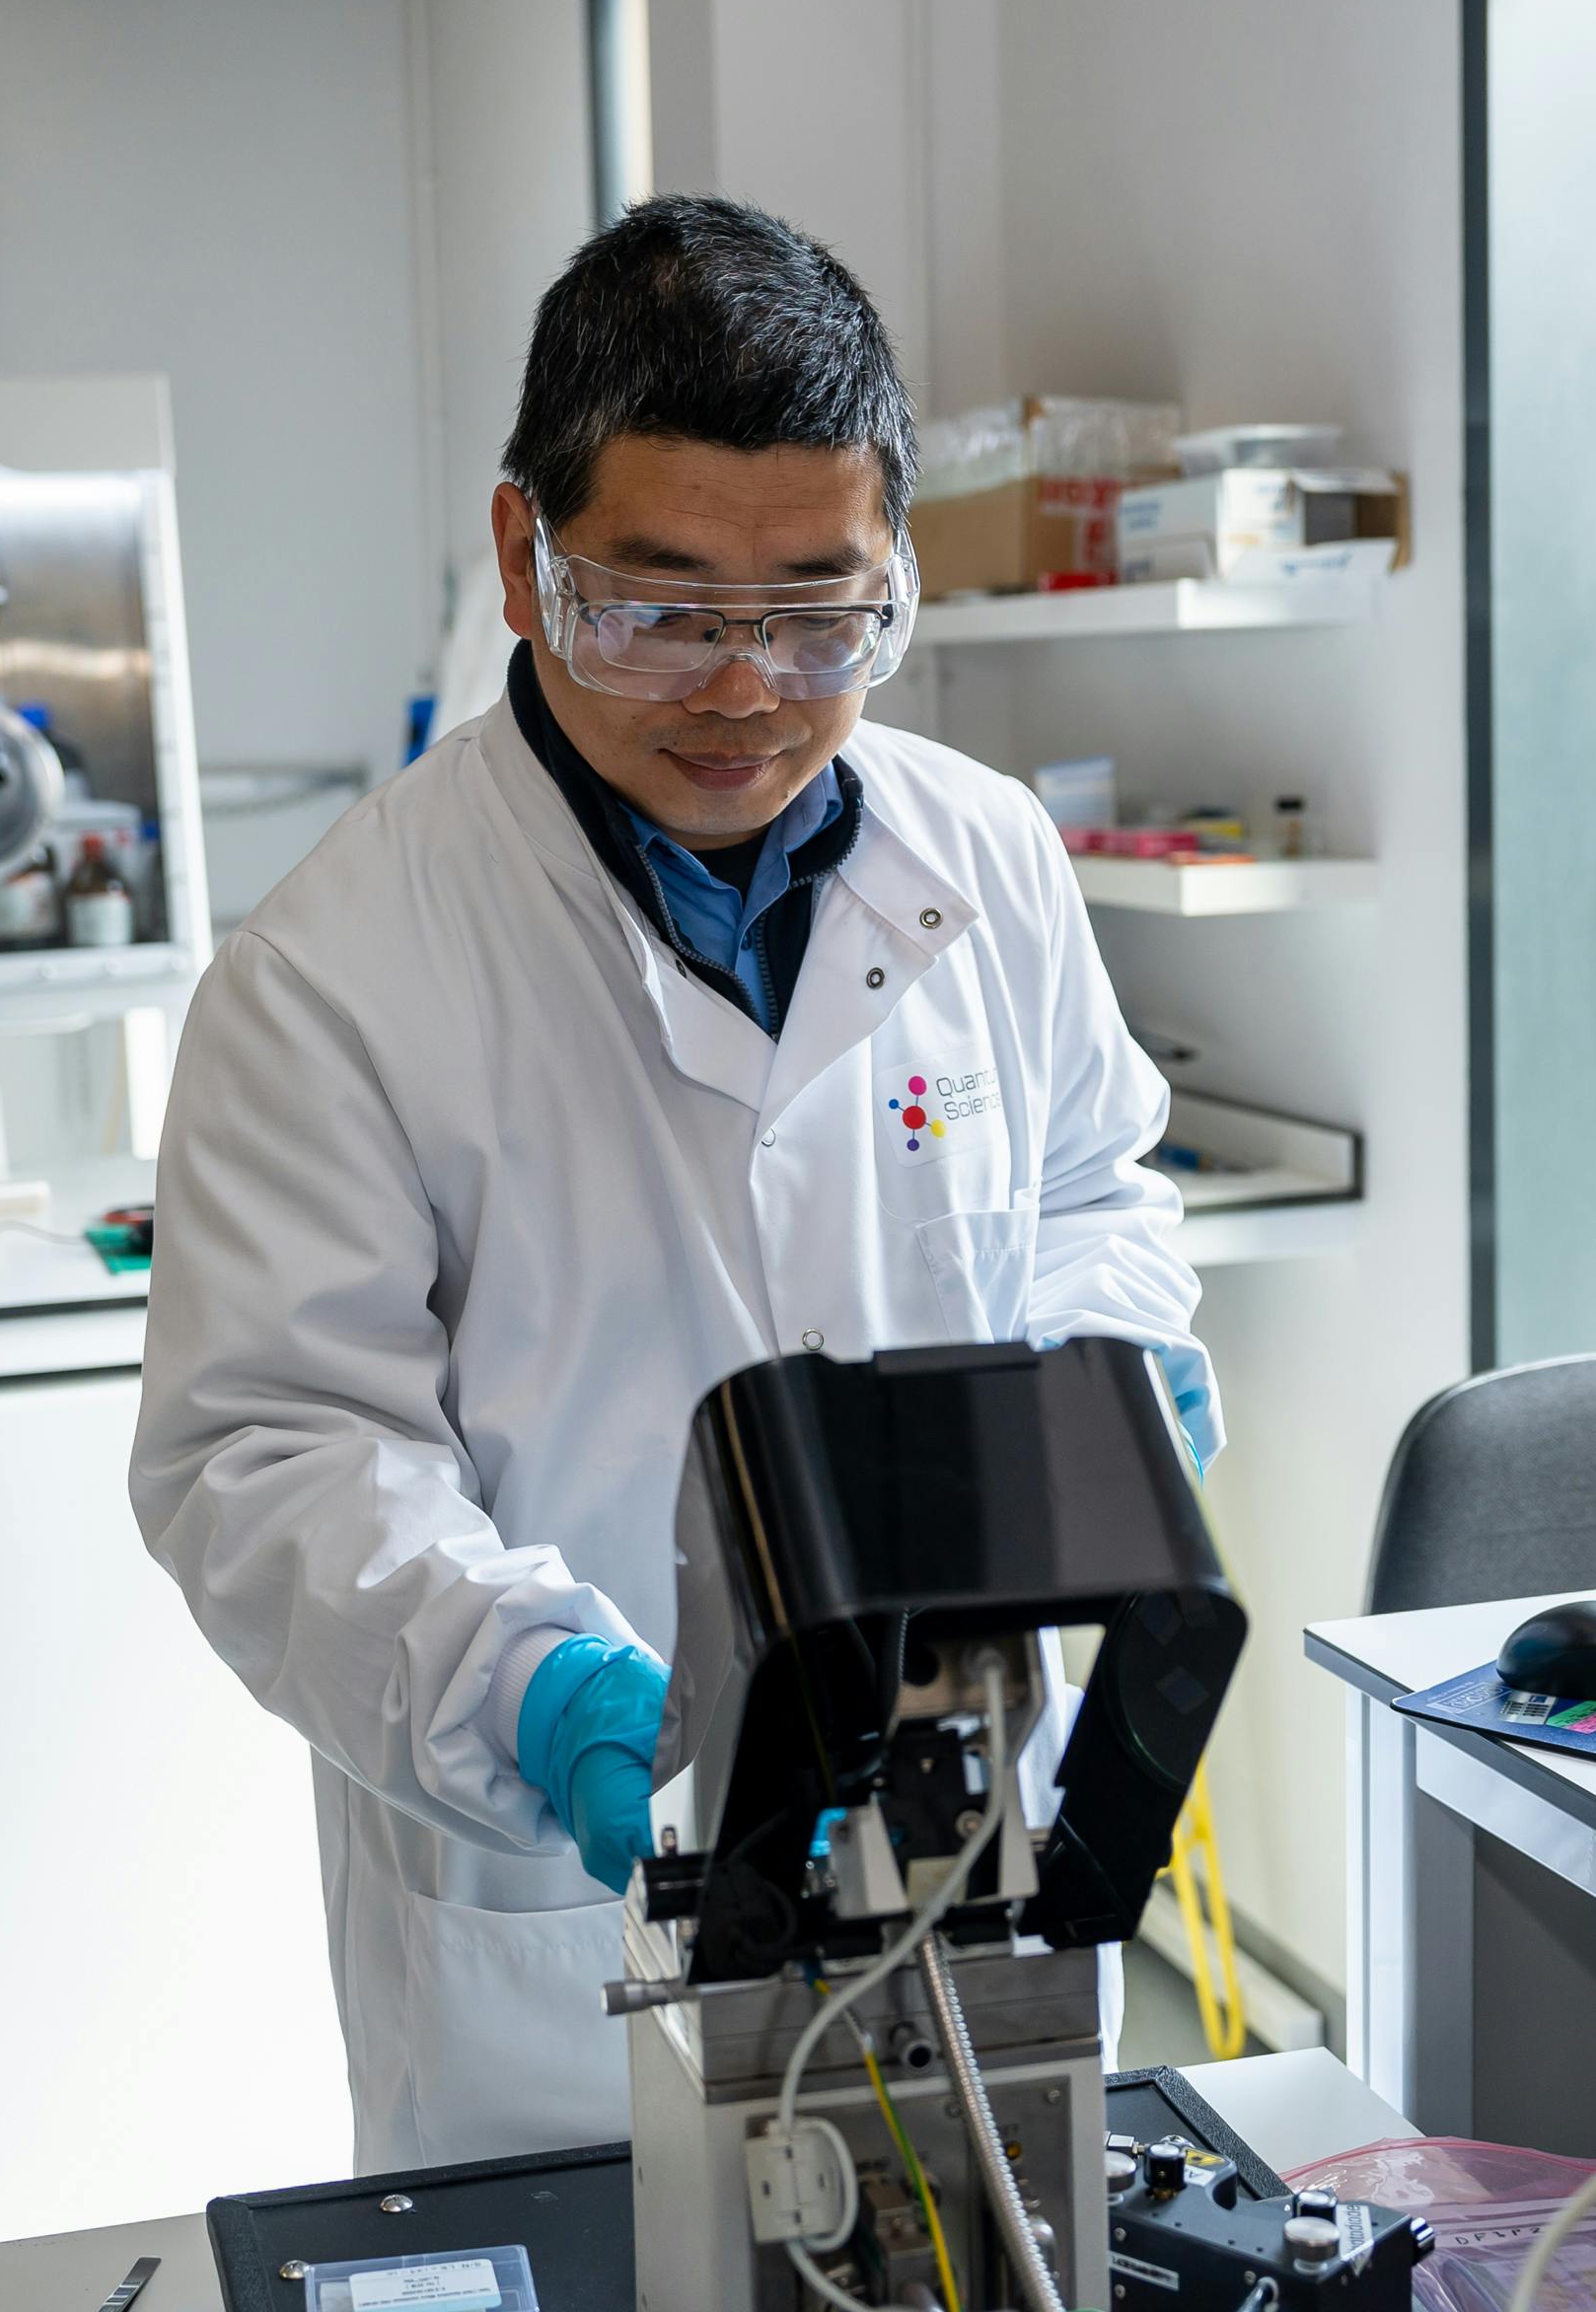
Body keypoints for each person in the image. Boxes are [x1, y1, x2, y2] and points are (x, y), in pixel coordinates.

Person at [132, 196, 1221, 2170]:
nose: (744, 690)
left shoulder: (988, 857)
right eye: (659, 609)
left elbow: (1090, 1188)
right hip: (565, 1932)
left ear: (895, 575)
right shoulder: (330, 976)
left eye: (819, 614)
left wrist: (1102, 1377)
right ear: (522, 560)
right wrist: (525, 1685)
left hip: (972, 1835)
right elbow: (268, 1453)